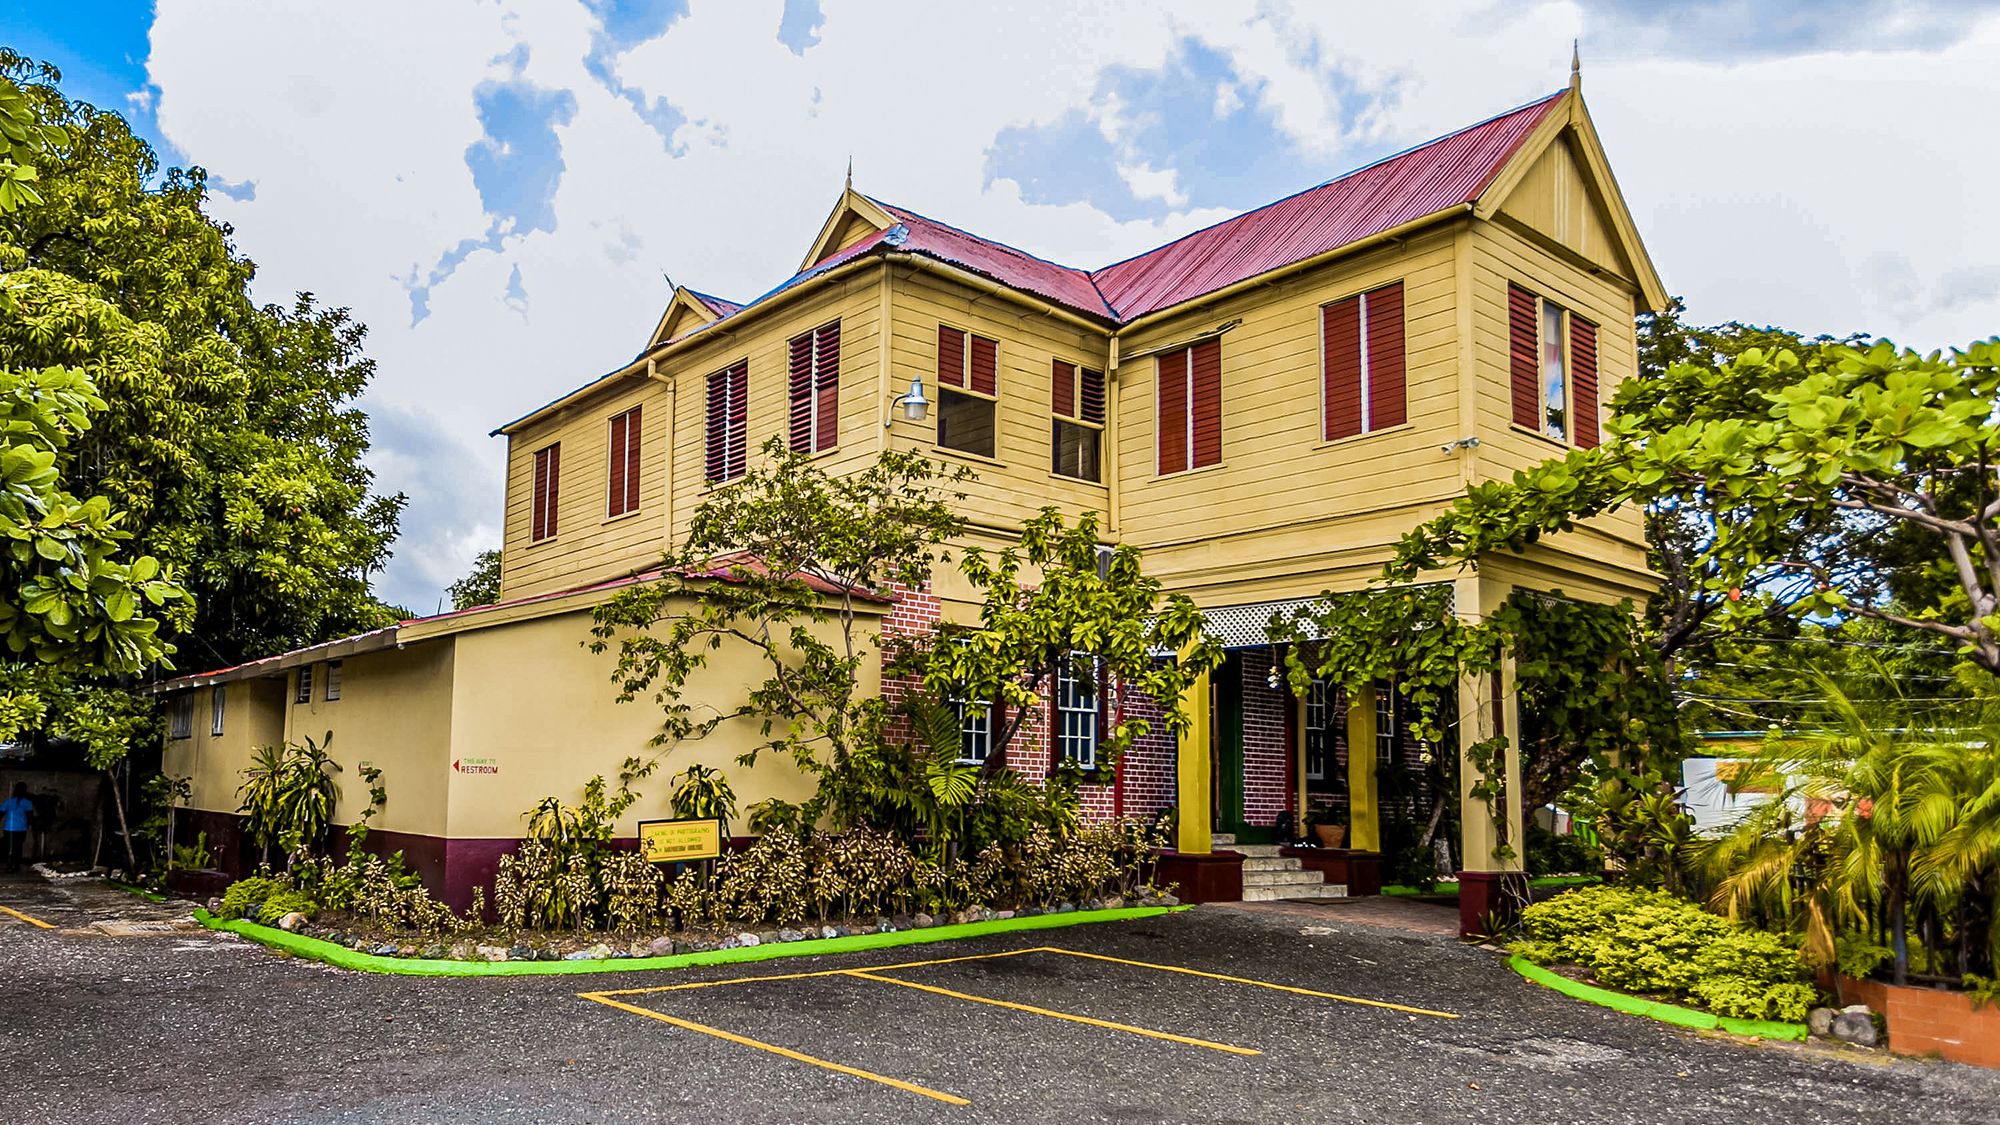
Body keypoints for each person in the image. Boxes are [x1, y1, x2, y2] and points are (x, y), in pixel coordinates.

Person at [1, 783, 32, 873]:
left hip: (9, 828)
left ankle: (9, 865)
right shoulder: (27, 803)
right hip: (21, 829)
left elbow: (0, 814)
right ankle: (16, 866)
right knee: (18, 847)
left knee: (9, 847)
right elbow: (30, 816)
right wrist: (29, 825)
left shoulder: (8, 802)